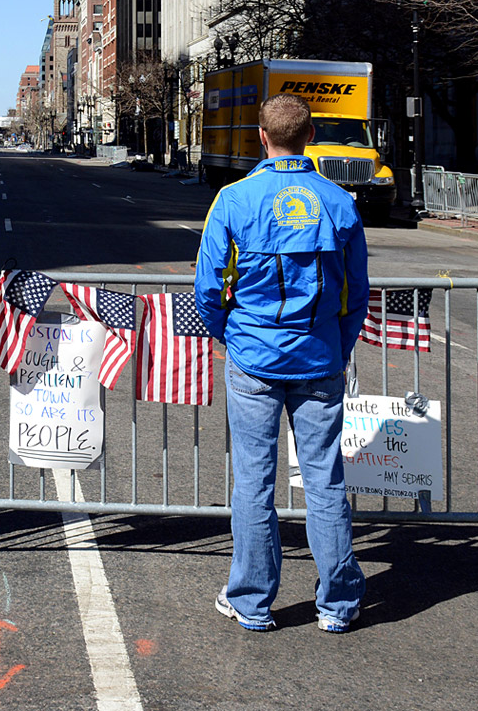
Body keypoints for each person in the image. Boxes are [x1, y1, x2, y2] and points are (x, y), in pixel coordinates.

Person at [195, 92, 370, 633]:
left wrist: (230, 337)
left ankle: (251, 601)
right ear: (309, 135)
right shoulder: (339, 202)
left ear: (262, 138)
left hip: (253, 357)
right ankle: (337, 605)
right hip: (318, 358)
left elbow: (207, 289)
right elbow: (355, 293)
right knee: (324, 480)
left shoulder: (233, 199)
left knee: (253, 480)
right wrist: (337, 347)